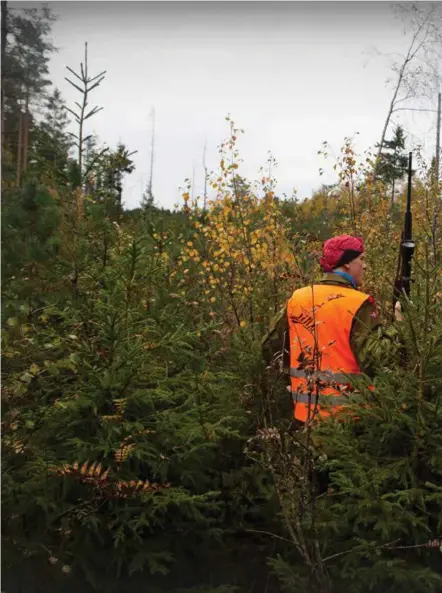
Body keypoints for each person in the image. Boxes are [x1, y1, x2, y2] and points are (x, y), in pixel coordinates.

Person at [261, 234, 401, 425]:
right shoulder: (358, 303)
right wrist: (399, 326)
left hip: (306, 417)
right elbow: (377, 359)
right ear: (345, 264)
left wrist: (291, 377)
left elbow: (270, 347)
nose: (365, 266)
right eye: (361, 259)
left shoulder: (298, 298)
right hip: (351, 420)